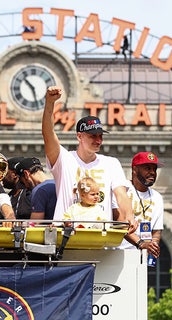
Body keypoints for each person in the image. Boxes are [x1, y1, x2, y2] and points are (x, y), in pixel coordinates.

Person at [41, 86, 137, 232]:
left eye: (100, 136)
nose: (98, 140)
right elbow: (48, 134)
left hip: (100, 239)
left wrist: (129, 215)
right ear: (79, 136)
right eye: (93, 136)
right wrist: (49, 103)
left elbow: (121, 194)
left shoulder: (111, 163)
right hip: (67, 238)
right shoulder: (64, 159)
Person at [118, 152, 164, 260]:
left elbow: (156, 231)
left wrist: (152, 248)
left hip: (141, 257)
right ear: (134, 169)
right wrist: (140, 243)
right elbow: (119, 221)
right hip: (118, 254)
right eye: (147, 168)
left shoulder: (157, 197)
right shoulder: (122, 189)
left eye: (154, 169)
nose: (152, 172)